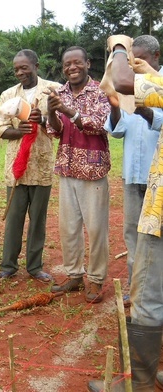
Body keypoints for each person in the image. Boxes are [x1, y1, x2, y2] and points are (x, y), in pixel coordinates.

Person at [86, 34, 163, 392]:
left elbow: (121, 80)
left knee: (149, 293)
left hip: (159, 200)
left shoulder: (155, 81)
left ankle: (142, 384)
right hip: (139, 183)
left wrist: (119, 48)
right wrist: (123, 102)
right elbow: (127, 115)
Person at [46, 46, 111, 303]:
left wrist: (69, 110)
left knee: (95, 229)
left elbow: (99, 124)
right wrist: (52, 111)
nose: (72, 68)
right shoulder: (59, 92)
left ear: (88, 63)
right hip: (67, 168)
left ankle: (95, 279)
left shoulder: (100, 92)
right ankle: (74, 276)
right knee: (68, 228)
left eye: (77, 63)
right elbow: (56, 131)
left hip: (93, 171)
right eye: (67, 64)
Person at [104, 35, 162, 305]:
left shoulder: (155, 85)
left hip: (157, 181)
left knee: (156, 238)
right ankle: (135, 290)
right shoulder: (131, 89)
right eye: (132, 61)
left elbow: (157, 120)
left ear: (156, 57)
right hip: (133, 176)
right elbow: (117, 130)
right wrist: (116, 109)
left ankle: (154, 294)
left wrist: (143, 109)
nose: (135, 65)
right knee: (132, 236)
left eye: (141, 60)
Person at [0, 49, 61, 283]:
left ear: (36, 65)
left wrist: (42, 120)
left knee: (38, 219)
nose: (20, 72)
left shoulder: (53, 89)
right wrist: (19, 130)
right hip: (16, 169)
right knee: (14, 218)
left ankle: (34, 266)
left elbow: (61, 127)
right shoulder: (8, 94)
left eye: (24, 67)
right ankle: (8, 266)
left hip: (42, 165)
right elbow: (2, 129)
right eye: (16, 69)